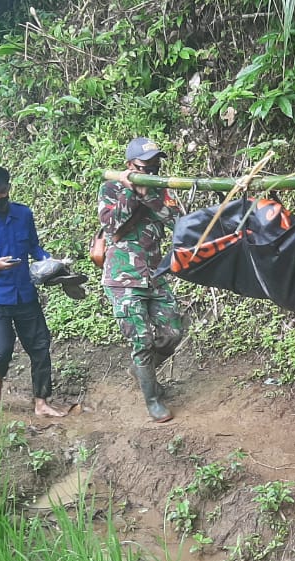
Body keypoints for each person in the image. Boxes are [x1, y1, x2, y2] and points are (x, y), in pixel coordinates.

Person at [0, 164, 66, 418]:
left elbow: (34, 247)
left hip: (25, 292)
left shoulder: (23, 214)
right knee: (2, 347)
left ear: (9, 187)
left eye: (2, 191)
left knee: (40, 346)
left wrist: (51, 262)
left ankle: (41, 401)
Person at [97, 137, 184, 422]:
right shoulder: (110, 188)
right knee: (142, 339)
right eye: (145, 166)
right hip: (123, 279)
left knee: (173, 332)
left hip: (155, 274)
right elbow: (110, 225)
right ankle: (153, 399)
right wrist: (131, 192)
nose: (152, 171)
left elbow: (177, 221)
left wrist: (149, 194)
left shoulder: (159, 188)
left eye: (155, 166)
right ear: (130, 166)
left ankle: (141, 369)